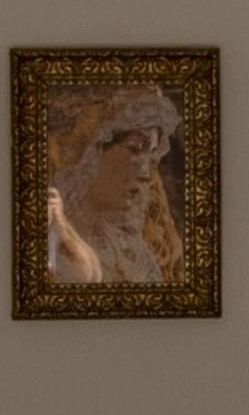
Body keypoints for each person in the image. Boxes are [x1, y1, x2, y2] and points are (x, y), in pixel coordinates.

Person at [44, 81, 185, 286]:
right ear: (90, 152)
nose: (147, 173)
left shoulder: (129, 250)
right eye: (136, 148)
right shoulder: (47, 237)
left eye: (151, 155)